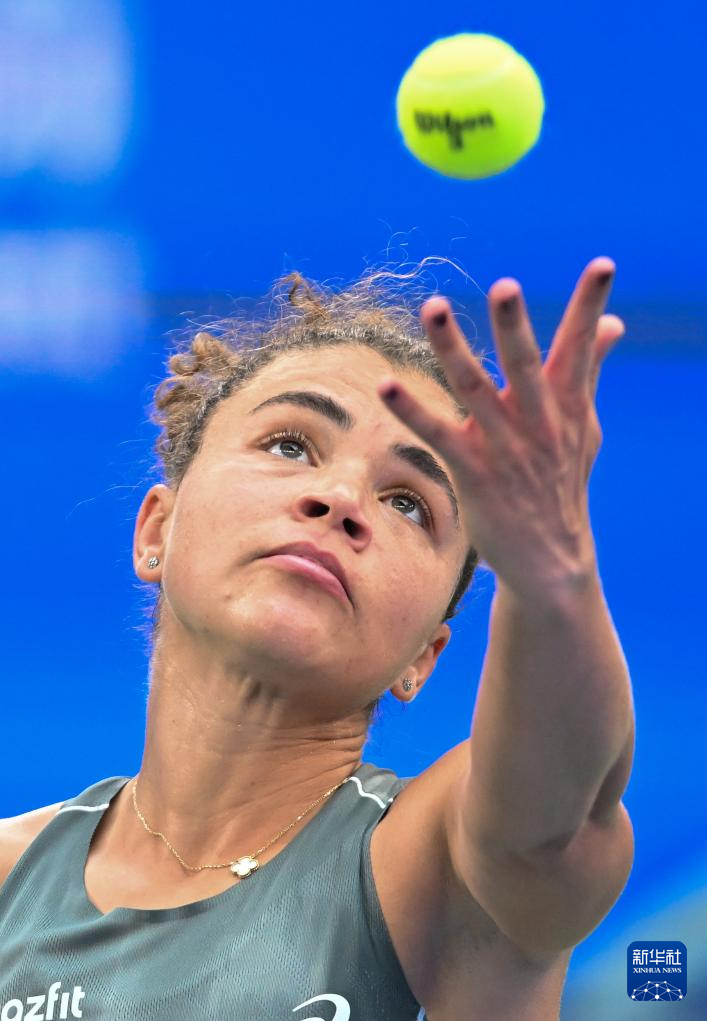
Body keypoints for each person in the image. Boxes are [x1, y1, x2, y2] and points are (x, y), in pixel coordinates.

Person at [0, 257, 635, 1020]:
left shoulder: (435, 869)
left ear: (423, 658)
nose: (339, 498)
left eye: (408, 502)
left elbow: (555, 814)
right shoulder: (9, 879)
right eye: (289, 445)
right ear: (156, 531)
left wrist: (552, 573)